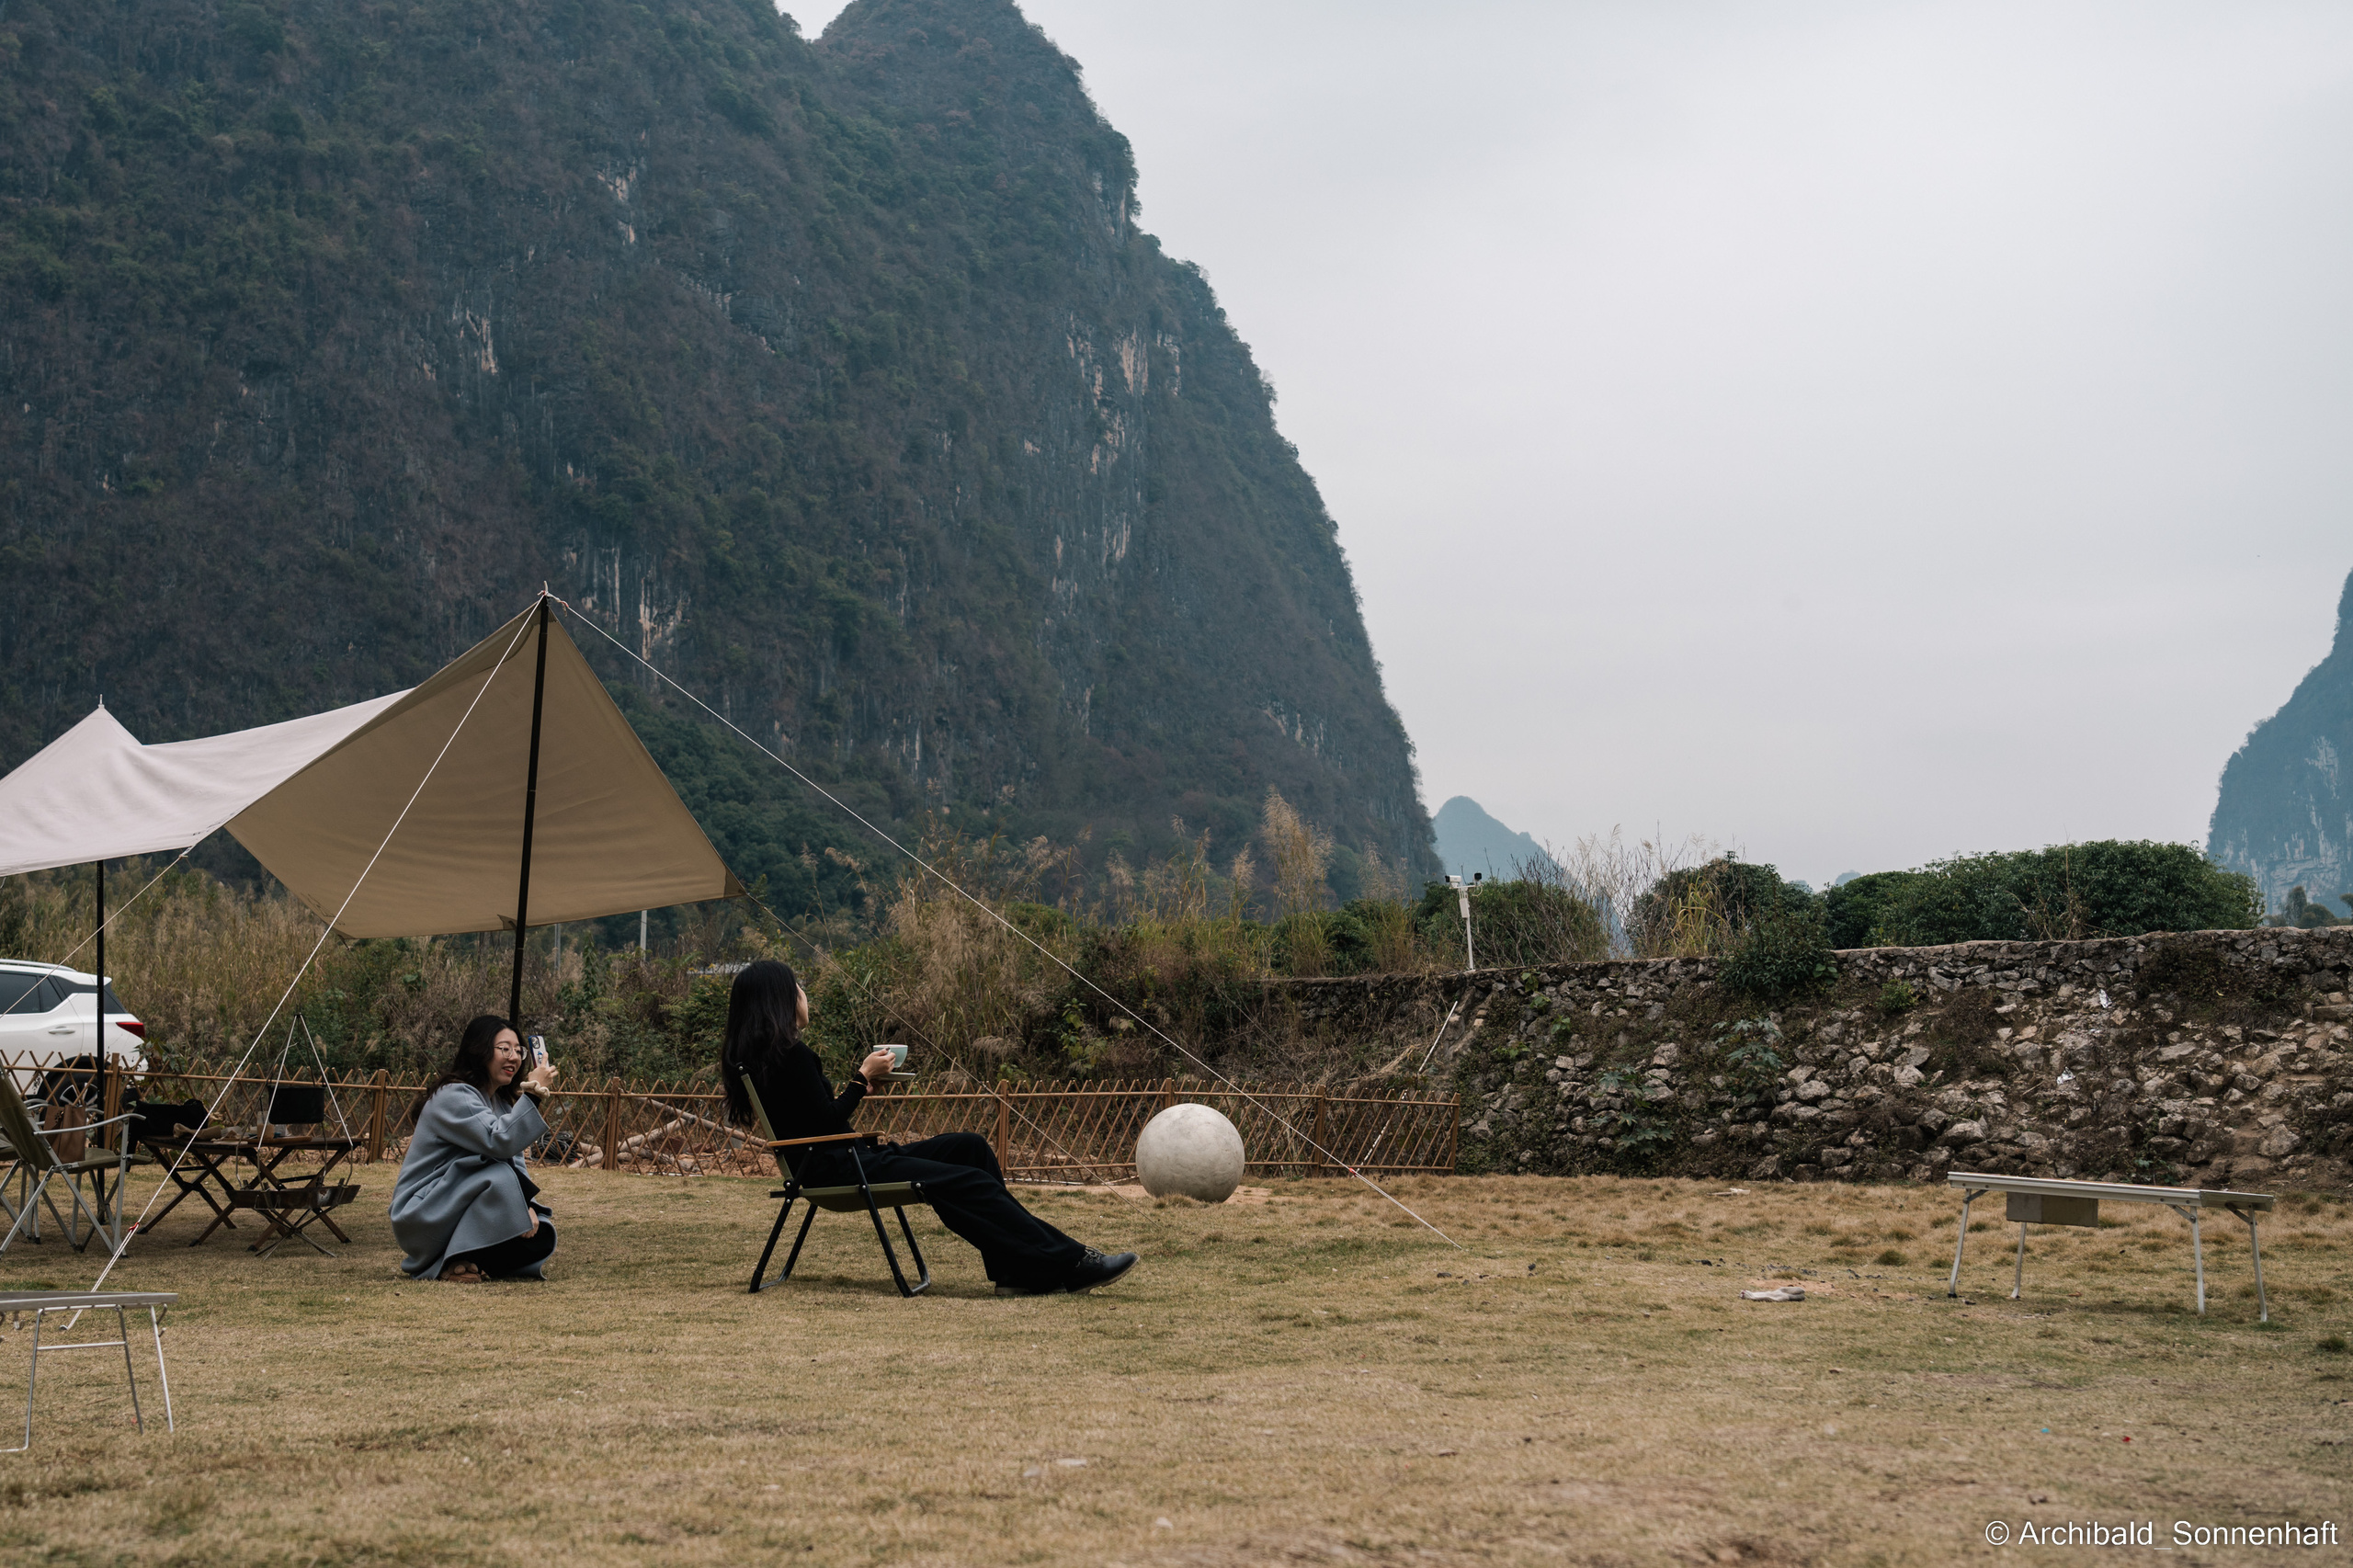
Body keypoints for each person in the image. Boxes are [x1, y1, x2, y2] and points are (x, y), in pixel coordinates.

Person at [720, 959, 1137, 1295]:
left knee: (969, 1147)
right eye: (797, 987)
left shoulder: (768, 1059)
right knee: (970, 1182)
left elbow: (814, 1121)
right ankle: (1071, 1261)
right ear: (779, 999)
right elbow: (828, 1122)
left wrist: (860, 1083)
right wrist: (862, 1078)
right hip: (839, 1168)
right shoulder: (790, 1056)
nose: (803, 995)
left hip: (835, 1160)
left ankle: (1016, 1270)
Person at [391, 1014, 560, 1282]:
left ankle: (469, 1262)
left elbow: (515, 1163)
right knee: (499, 1178)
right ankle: (449, 1260)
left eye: (518, 1050)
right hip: (421, 1213)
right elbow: (499, 1142)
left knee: (540, 1233)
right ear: (479, 1050)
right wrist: (535, 1092)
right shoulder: (454, 1095)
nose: (514, 1058)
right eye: (504, 1049)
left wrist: (525, 1205)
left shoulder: (501, 1103)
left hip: (453, 1201)